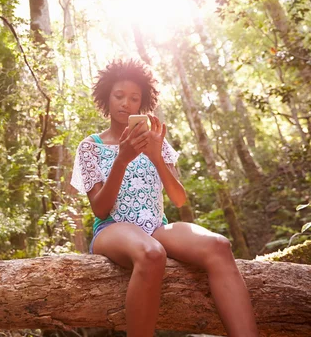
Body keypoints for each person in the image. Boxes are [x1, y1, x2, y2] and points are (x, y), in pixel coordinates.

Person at [70, 59, 259, 337]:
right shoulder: (90, 147)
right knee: (151, 253)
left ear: (142, 103)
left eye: (134, 98)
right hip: (112, 230)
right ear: (106, 97)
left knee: (219, 245)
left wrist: (157, 157)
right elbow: (100, 209)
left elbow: (180, 199)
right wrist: (121, 159)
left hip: (158, 227)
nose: (126, 104)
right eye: (119, 96)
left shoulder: (156, 139)